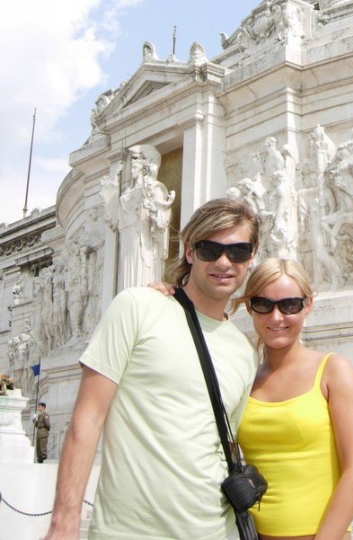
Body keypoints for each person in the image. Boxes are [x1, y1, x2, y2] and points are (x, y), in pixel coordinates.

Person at [43, 197, 260, 540]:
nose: (224, 261)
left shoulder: (245, 351)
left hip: (217, 531)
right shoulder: (137, 307)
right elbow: (87, 419)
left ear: (251, 257)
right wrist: (63, 522)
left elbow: (223, 443)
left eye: (237, 252)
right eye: (209, 249)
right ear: (189, 251)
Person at [236, 258, 353, 540]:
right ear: (249, 306)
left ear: (308, 305)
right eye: (263, 304)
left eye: (290, 305)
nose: (276, 317)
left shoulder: (334, 370)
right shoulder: (243, 381)